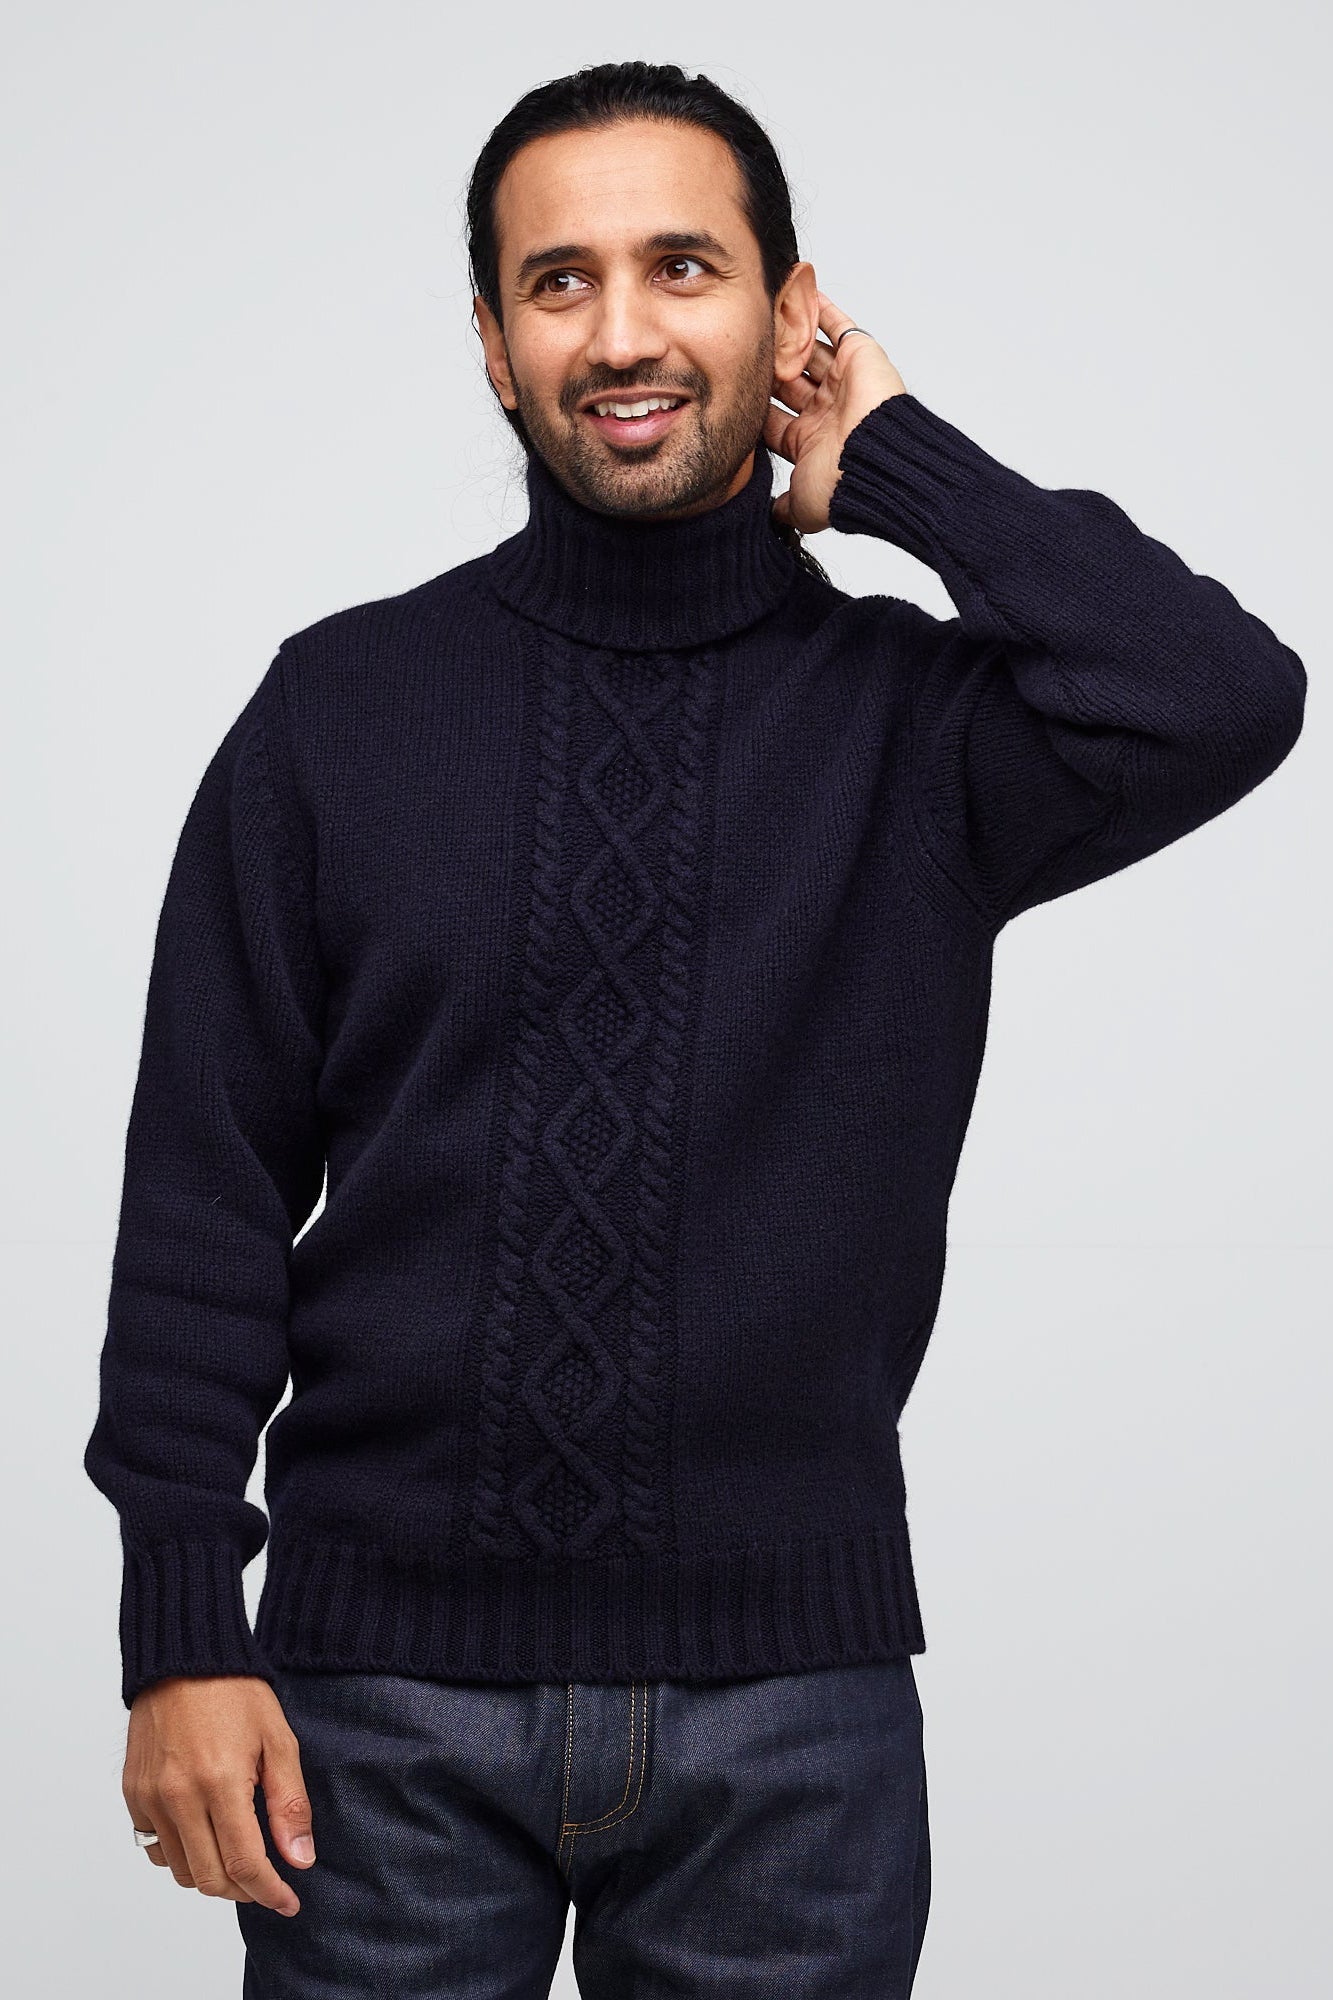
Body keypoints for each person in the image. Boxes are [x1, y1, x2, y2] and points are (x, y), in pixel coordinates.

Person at [83, 58, 1306, 2000]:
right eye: (557, 281)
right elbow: (202, 1197)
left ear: (786, 308)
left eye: (682, 266)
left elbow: (1220, 692)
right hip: (371, 1702)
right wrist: (177, 1632)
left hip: (789, 1711)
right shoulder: (338, 710)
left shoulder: (920, 730)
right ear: (493, 342)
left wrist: (896, 460)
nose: (622, 334)